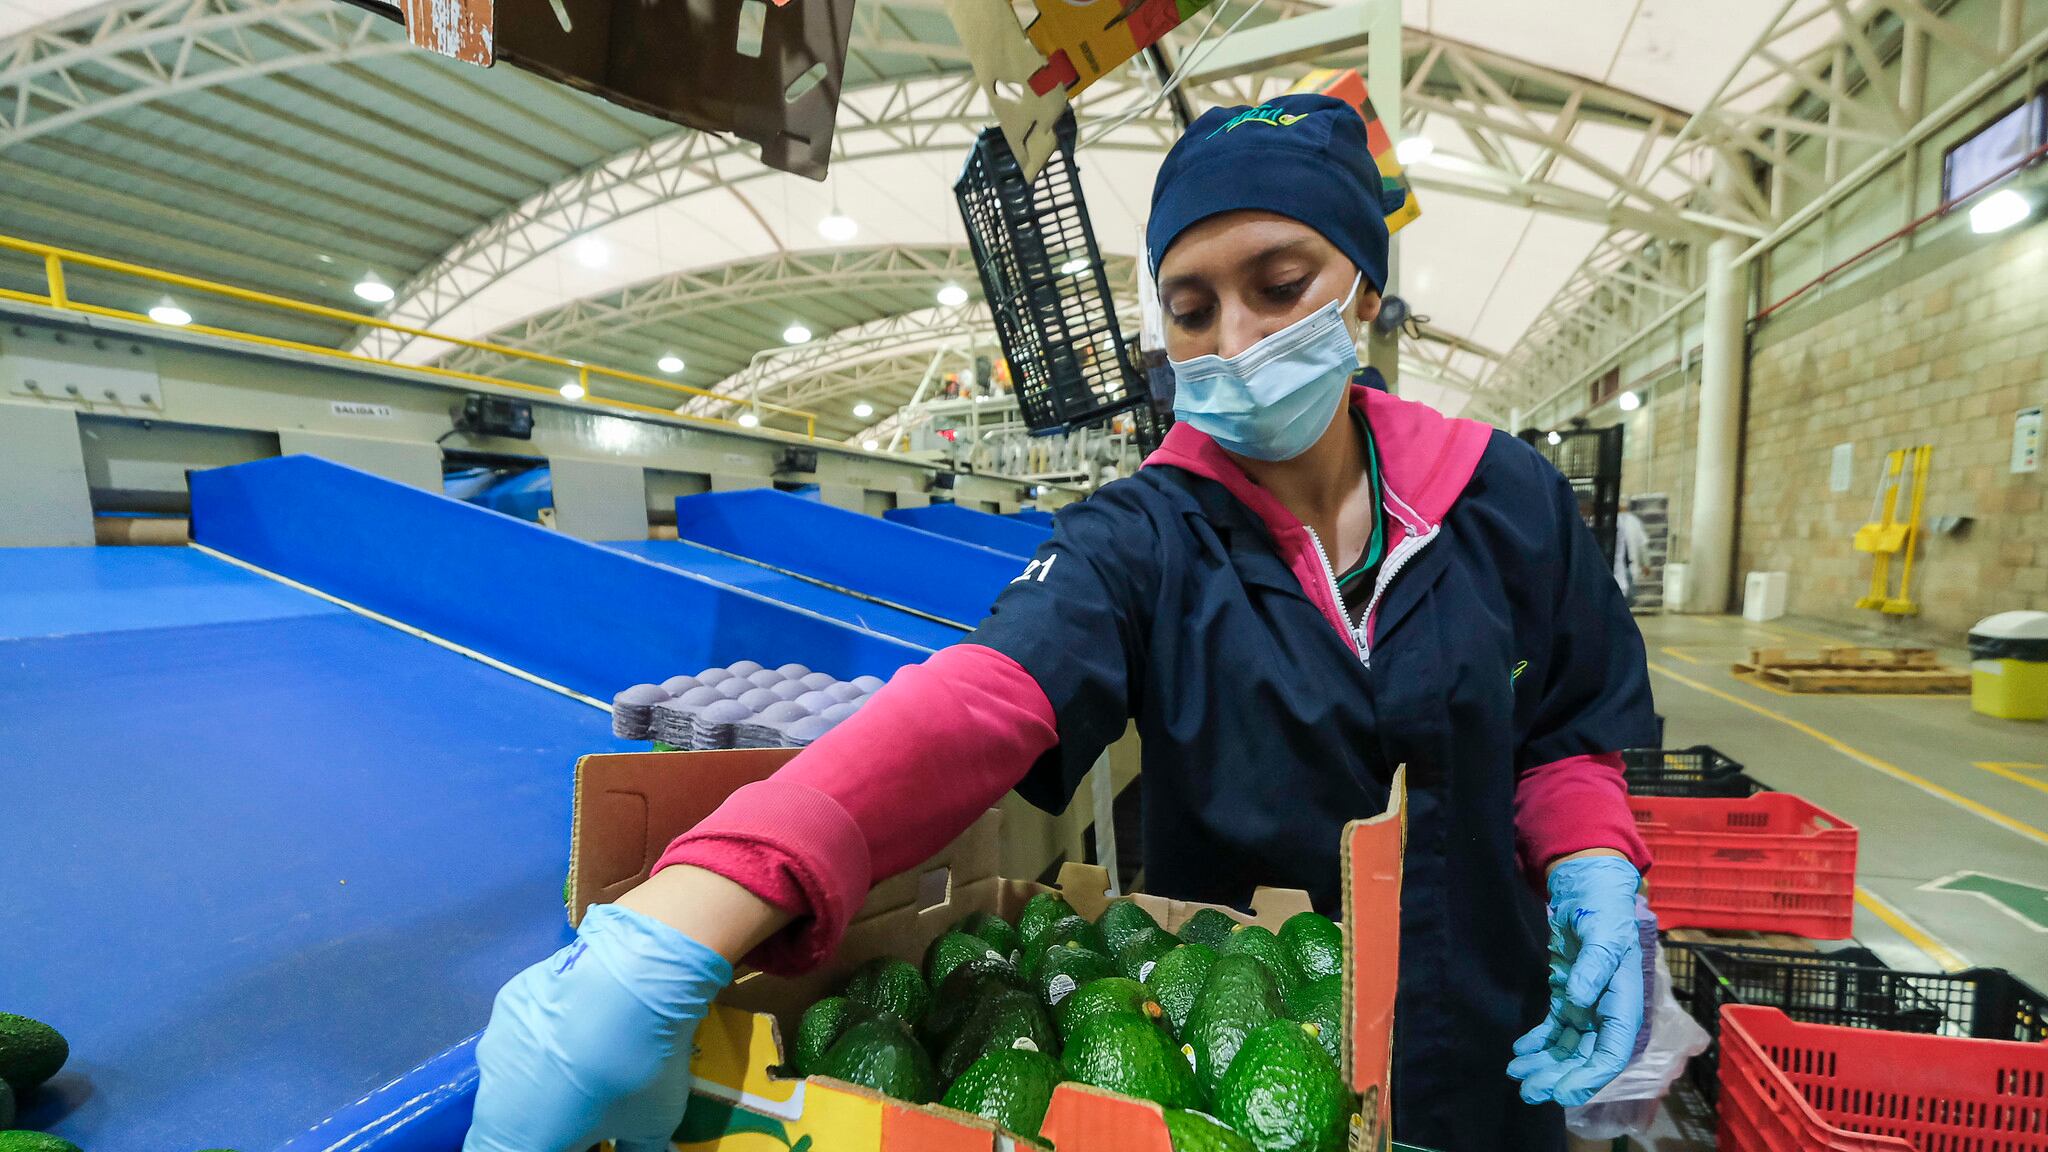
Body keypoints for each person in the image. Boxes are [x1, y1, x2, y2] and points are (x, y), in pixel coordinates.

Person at [464, 93, 1656, 1152]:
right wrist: (685, 914)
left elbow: (1560, 727)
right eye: (1190, 309)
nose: (1233, 340)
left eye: (1279, 286)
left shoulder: (1500, 496)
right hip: (1228, 1054)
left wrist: (1592, 864)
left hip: (1489, 1027)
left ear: (1363, 291)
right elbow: (979, 702)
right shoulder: (1143, 534)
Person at [1615, 499, 1652, 602]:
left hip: (1616, 569)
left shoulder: (1612, 520)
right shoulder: (1635, 522)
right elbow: (1643, 545)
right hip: (1631, 568)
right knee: (1627, 598)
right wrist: (1646, 564)